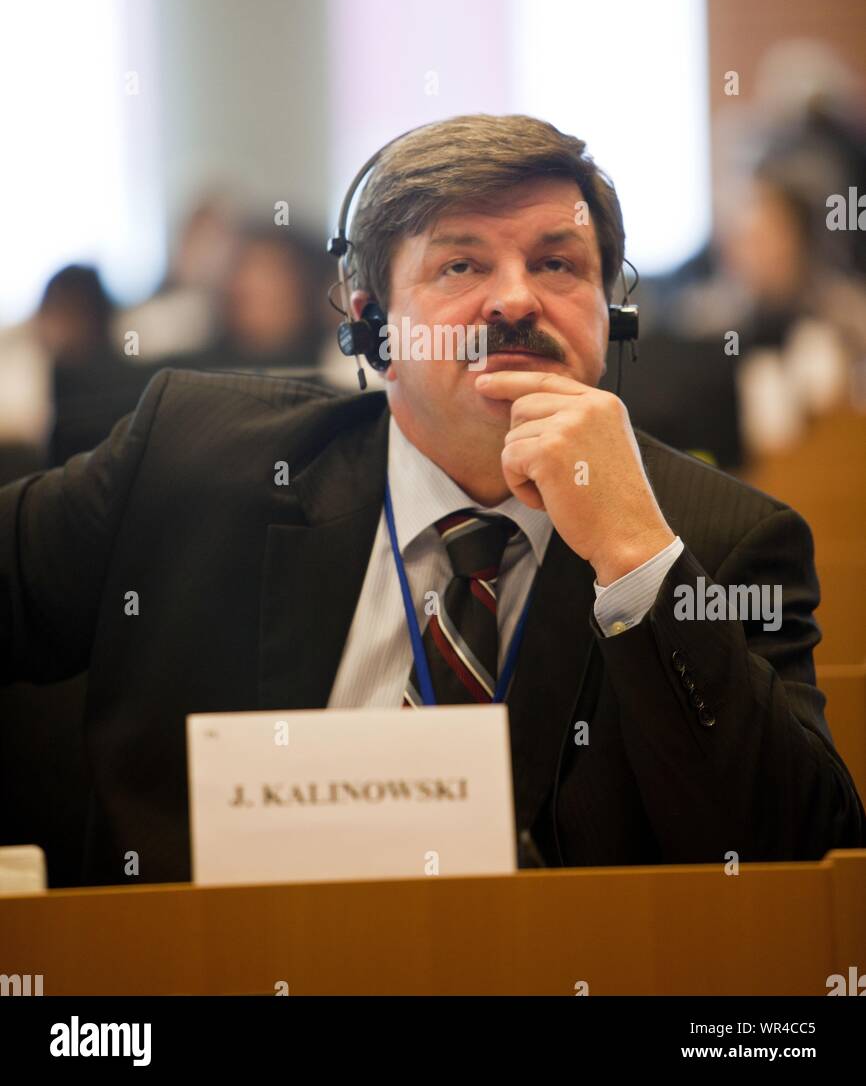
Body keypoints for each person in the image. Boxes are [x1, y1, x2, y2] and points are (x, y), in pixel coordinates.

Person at [0, 115, 862, 886]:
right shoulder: (191, 461)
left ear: (613, 318)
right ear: (375, 327)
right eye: (462, 263)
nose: (518, 297)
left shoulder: (722, 539)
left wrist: (638, 563)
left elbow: (802, 861)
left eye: (558, 264)